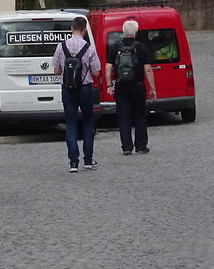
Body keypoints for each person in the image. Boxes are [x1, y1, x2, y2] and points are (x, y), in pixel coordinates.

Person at [52, 15, 102, 173]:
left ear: (71, 29)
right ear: (85, 30)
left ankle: (73, 162)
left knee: (71, 123)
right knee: (88, 122)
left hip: (67, 88)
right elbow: (96, 72)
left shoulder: (61, 47)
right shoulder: (89, 48)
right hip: (85, 87)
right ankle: (88, 160)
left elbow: (56, 71)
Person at [105, 18, 157, 155]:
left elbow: (107, 67)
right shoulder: (141, 47)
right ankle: (140, 146)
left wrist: (109, 84)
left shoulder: (115, 47)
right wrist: (152, 88)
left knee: (123, 116)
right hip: (138, 86)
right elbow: (148, 70)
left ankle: (127, 147)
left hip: (121, 86)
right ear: (136, 32)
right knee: (140, 115)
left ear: (123, 31)